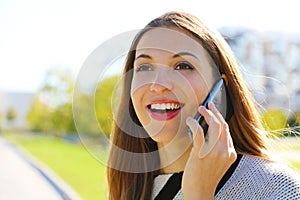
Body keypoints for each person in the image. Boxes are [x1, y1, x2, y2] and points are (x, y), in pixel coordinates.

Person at [106, 11, 300, 199]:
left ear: (221, 88)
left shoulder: (277, 188)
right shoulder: (131, 188)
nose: (158, 85)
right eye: (145, 67)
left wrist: (199, 194)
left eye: (183, 66)